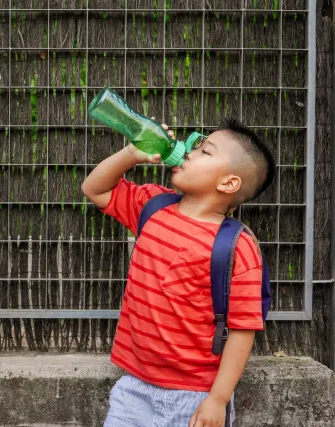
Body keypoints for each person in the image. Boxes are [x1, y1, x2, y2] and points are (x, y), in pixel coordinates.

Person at [82, 118, 275, 427]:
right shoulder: (153, 206)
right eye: (195, 145)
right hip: (134, 389)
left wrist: (218, 400)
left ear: (228, 183)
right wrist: (131, 153)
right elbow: (93, 188)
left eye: (204, 151)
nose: (188, 151)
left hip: (198, 396)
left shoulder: (237, 246)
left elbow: (243, 329)